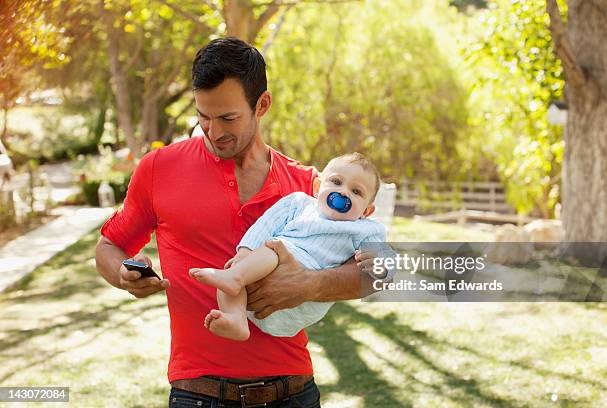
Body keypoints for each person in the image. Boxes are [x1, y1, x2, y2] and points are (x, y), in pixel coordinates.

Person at [94, 37, 391, 408]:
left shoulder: (311, 186)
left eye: (228, 118)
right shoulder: (158, 169)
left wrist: (310, 285)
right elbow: (110, 246)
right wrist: (123, 275)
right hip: (197, 393)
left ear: (261, 104)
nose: (214, 131)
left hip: (293, 391)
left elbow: (379, 275)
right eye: (203, 116)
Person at [189, 153, 387, 341]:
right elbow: (264, 226)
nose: (343, 192)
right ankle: (236, 318)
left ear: (367, 211)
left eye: (356, 191)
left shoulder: (367, 229)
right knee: (235, 272)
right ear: (318, 187)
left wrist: (376, 263)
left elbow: (382, 269)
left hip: (304, 303)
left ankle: (235, 279)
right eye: (336, 182)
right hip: (261, 283)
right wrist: (244, 254)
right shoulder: (298, 204)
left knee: (273, 249)